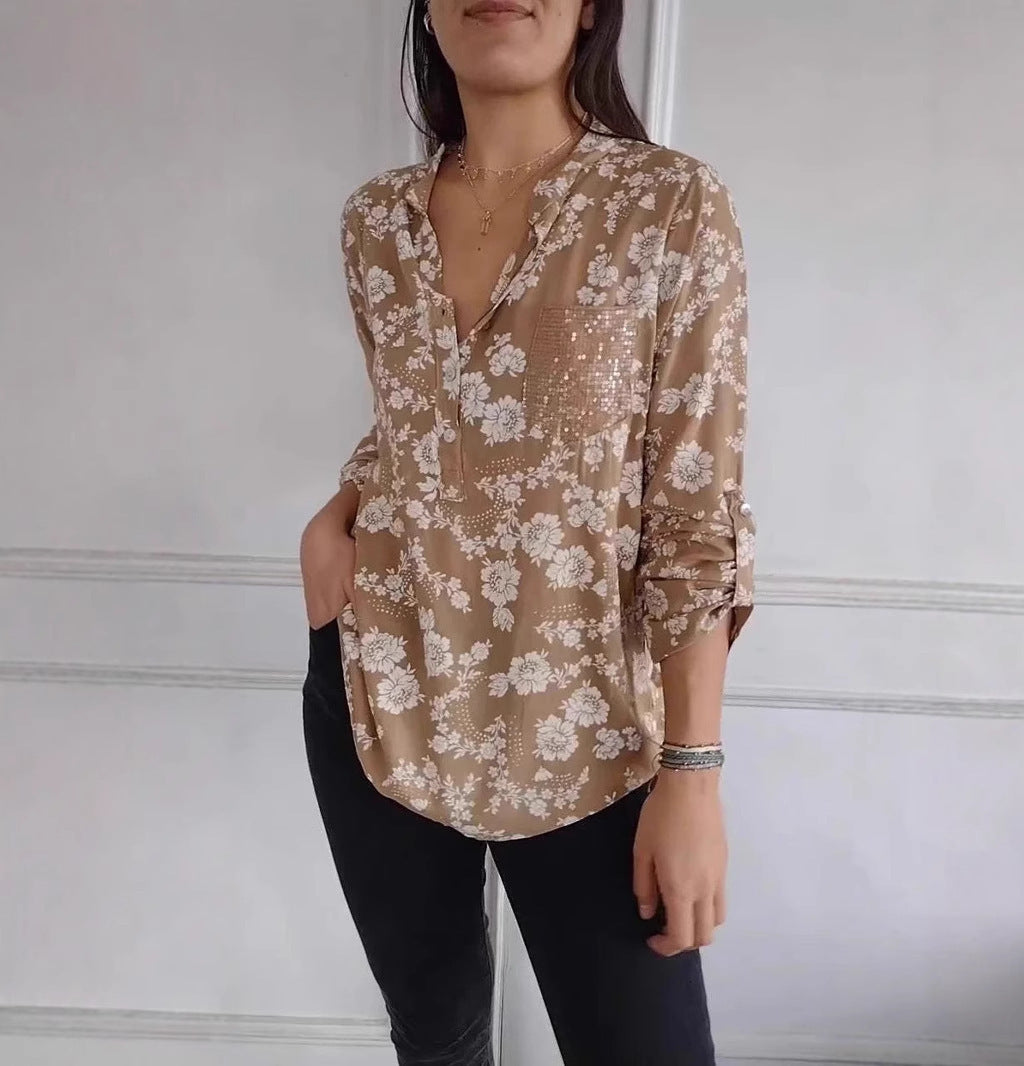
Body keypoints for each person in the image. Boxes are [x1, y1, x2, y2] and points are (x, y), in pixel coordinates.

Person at [298, 2, 756, 1063]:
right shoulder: (376, 223)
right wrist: (340, 515)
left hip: (591, 728)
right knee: (438, 1038)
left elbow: (695, 505)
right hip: (381, 692)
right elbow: (422, 421)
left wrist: (692, 773)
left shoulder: (667, 205)